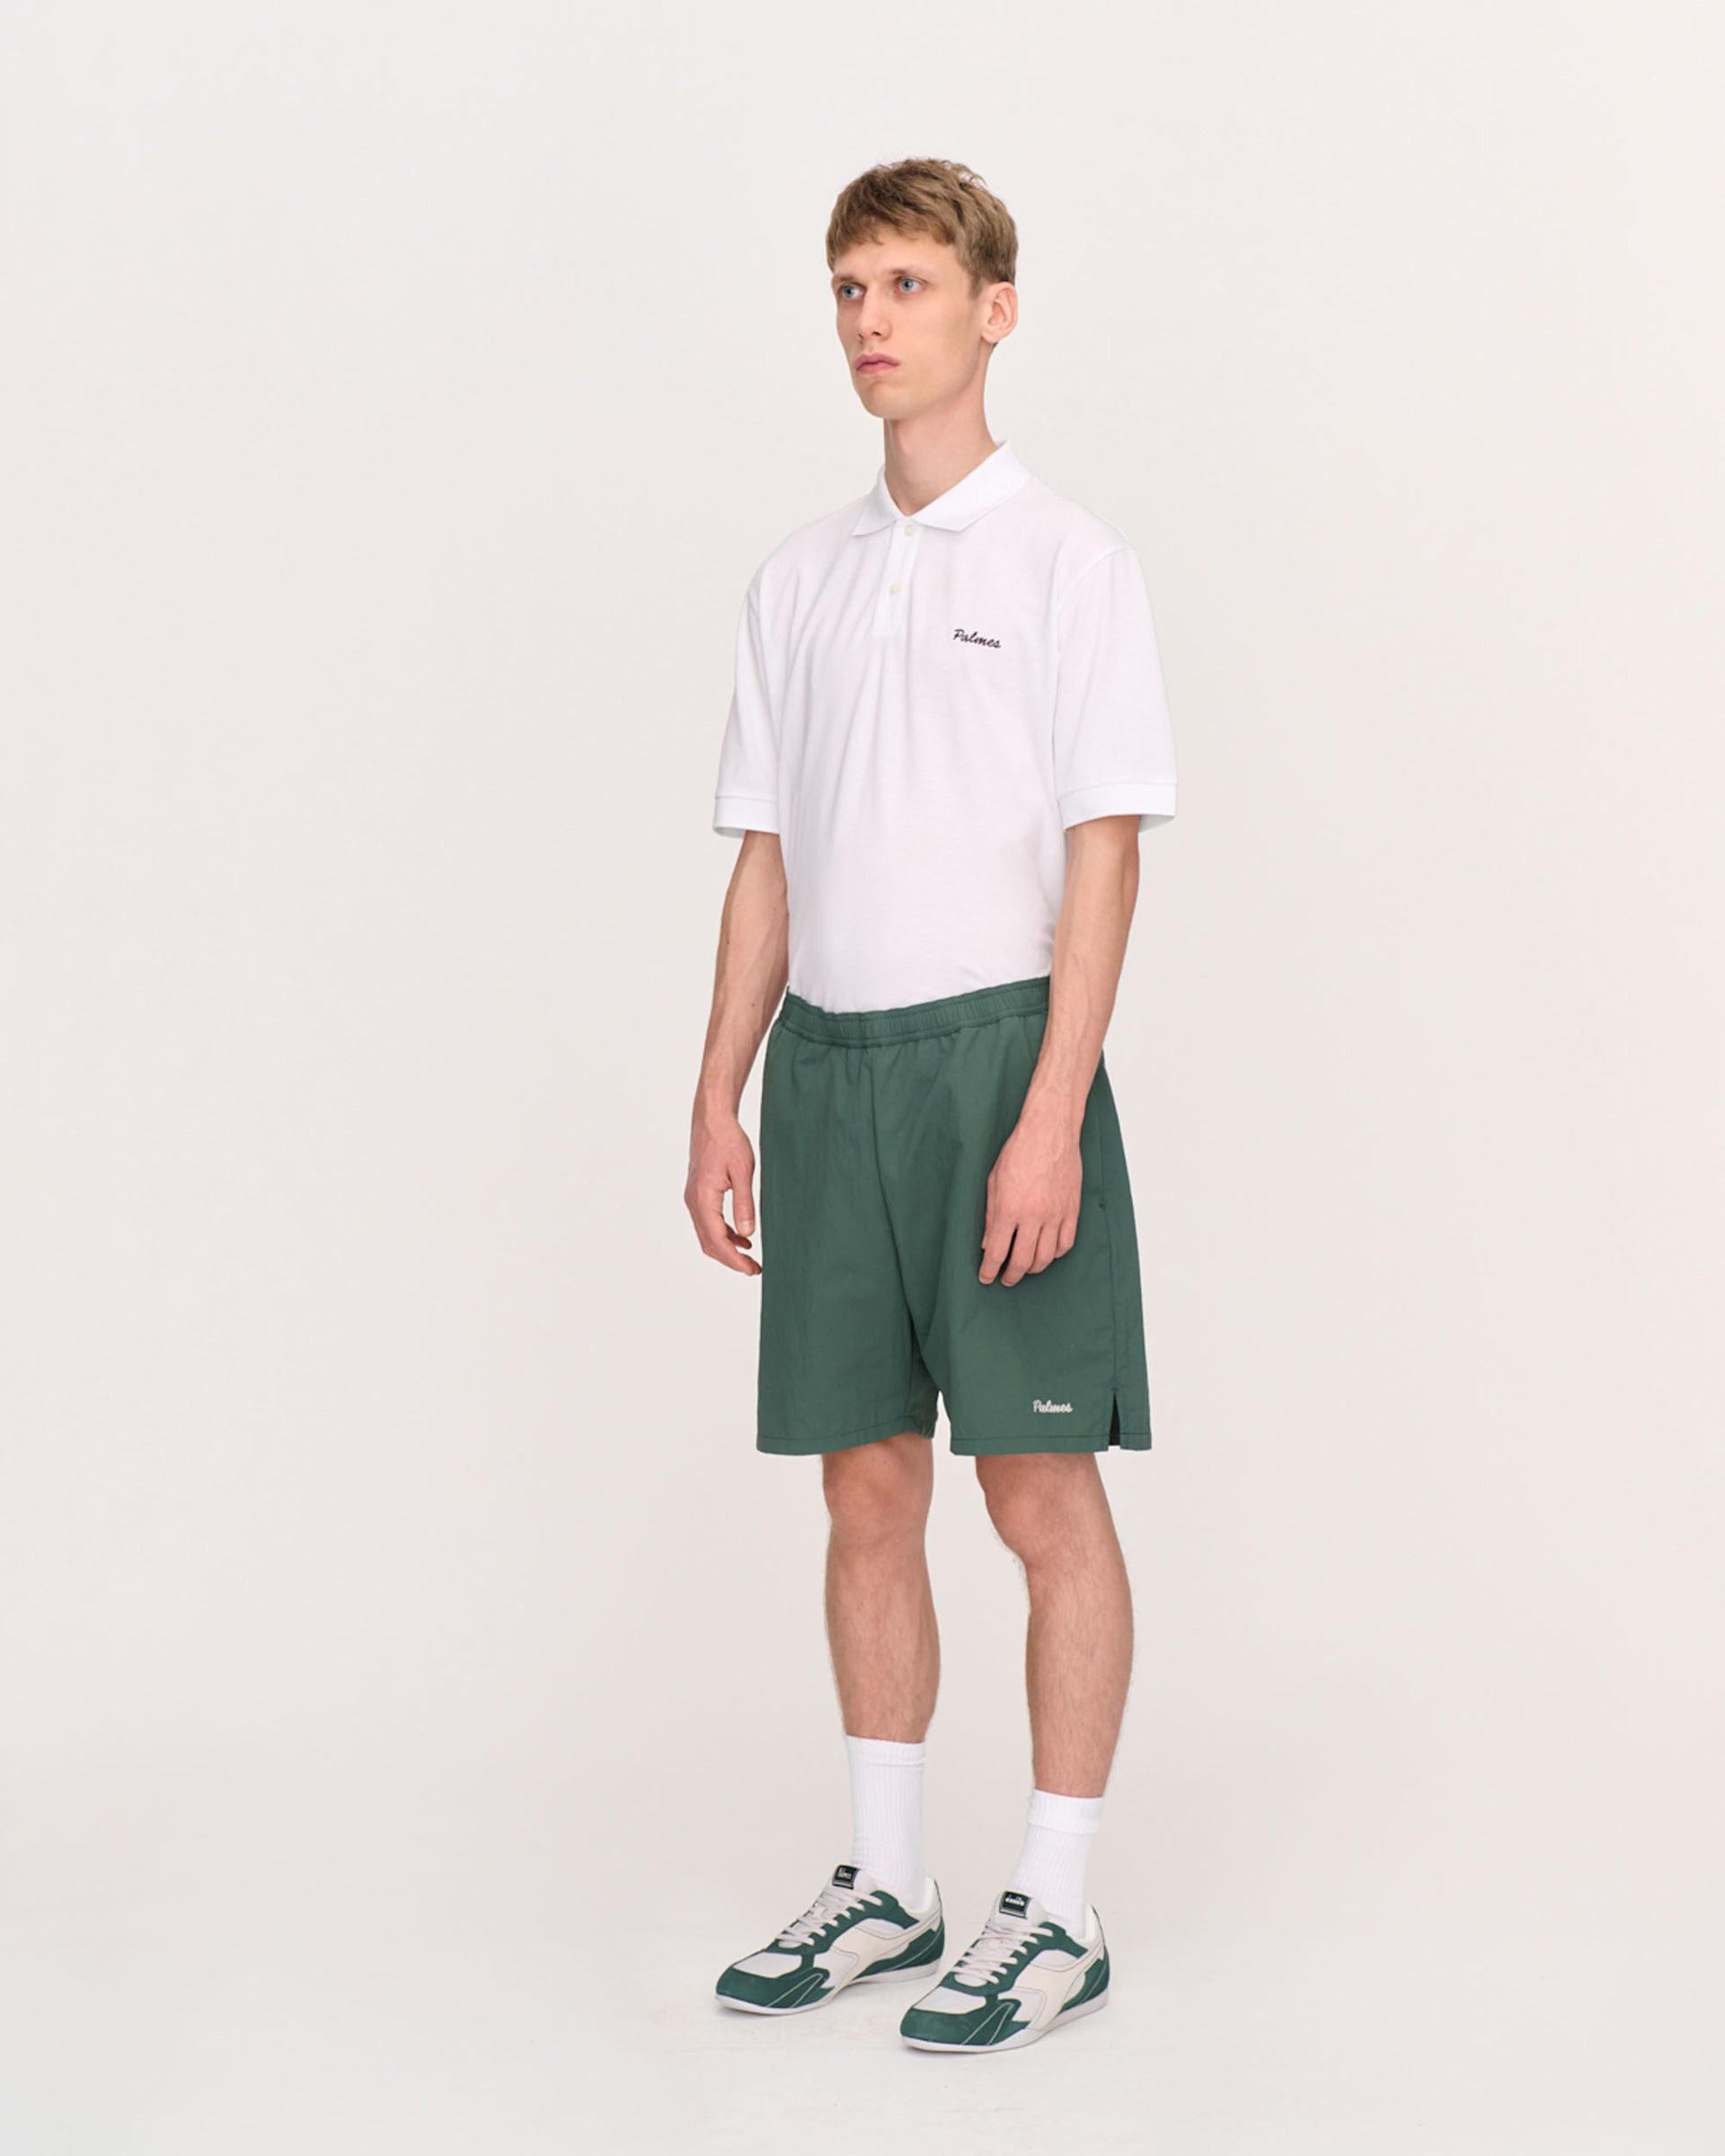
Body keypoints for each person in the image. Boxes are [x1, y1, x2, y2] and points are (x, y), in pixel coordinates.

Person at [686, 156, 1178, 2054]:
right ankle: (891, 1883)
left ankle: (1056, 1903)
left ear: (995, 309)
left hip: (996, 1063)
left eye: (906, 283)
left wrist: (1051, 1114)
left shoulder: (1069, 563)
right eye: (848, 288)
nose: (871, 320)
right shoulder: (796, 580)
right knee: (866, 1486)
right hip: (830, 1069)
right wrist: (718, 1095)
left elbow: (1106, 856)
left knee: (1037, 1489)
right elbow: (766, 858)